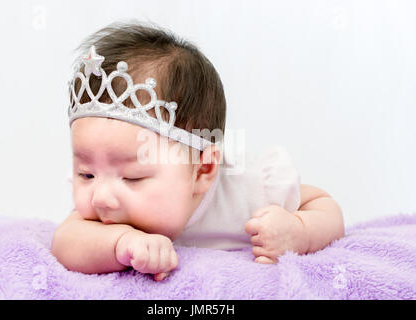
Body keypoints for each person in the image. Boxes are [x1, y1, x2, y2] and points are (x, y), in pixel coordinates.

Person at [51, 21, 345, 282]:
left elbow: (324, 205)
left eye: (132, 177)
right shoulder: (101, 204)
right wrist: (120, 243)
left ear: (203, 170)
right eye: (86, 173)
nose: (100, 197)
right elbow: (66, 241)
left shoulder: (249, 189)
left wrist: (300, 231)